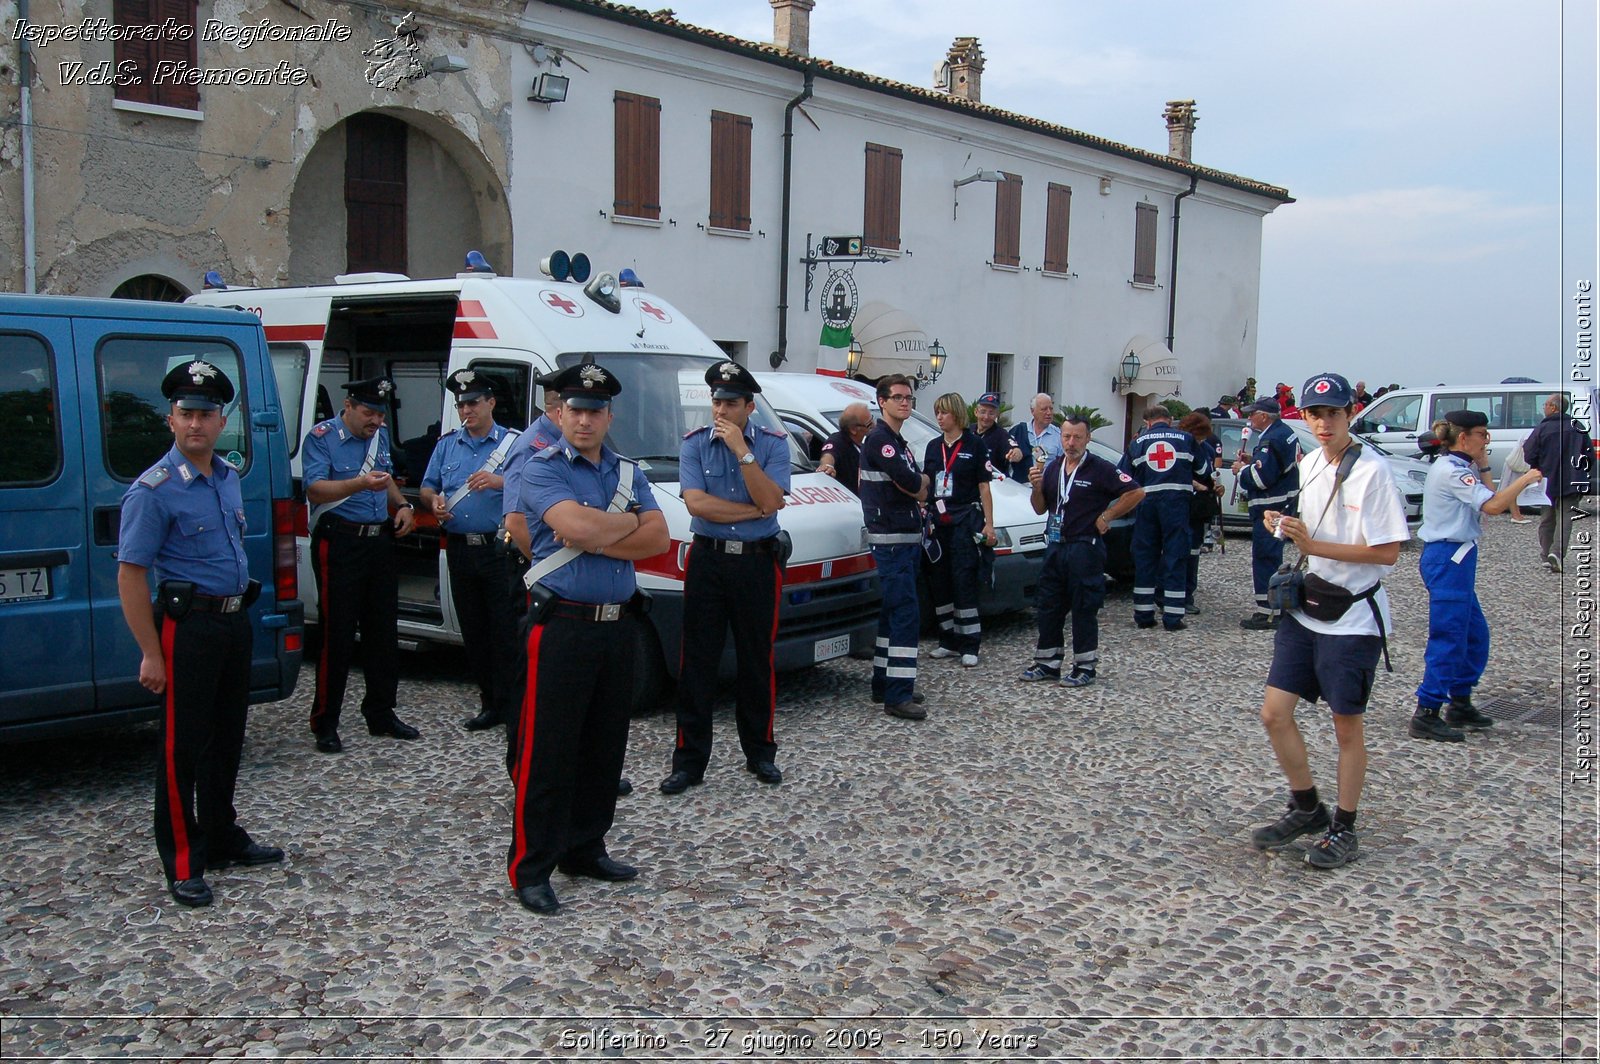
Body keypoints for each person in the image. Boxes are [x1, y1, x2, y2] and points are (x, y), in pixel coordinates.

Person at [117, 360, 283, 908]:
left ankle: (221, 835)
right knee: (180, 748)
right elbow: (132, 574)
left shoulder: (227, 477)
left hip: (233, 622)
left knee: (226, 738)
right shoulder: (154, 490)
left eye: (206, 414)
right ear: (170, 419)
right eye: (186, 413)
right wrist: (149, 652)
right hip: (186, 629)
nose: (196, 424)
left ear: (221, 421)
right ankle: (183, 859)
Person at [506, 361, 668, 915]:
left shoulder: (627, 471)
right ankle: (532, 866)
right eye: (575, 409)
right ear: (559, 412)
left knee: (604, 748)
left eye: (595, 411)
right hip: (563, 626)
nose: (584, 419)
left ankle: (585, 847)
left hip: (615, 625)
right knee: (548, 751)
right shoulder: (539, 466)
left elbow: (660, 537)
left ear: (608, 416)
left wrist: (601, 530)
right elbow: (574, 529)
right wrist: (617, 528)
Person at [1250, 372, 1409, 870]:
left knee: (1346, 727)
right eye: (1314, 414)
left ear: (1348, 415)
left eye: (1333, 414)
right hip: (1308, 603)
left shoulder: (1373, 472)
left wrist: (1313, 545)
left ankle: (1344, 825)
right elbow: (1312, 524)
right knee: (1274, 713)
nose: (1322, 423)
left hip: (1354, 612)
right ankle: (1307, 806)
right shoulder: (1311, 461)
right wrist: (1283, 524)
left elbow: (1387, 553)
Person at [662, 361, 791, 795]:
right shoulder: (695, 445)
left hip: (757, 562)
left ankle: (760, 754)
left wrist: (743, 452)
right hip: (709, 561)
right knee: (697, 662)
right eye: (716, 401)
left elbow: (773, 498)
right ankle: (689, 762)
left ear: (749, 407)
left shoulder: (772, 445)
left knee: (757, 660)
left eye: (730, 403)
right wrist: (755, 510)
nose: (720, 410)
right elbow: (697, 505)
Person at [1410, 410, 1546, 742]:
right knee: (1450, 635)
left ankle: (1460, 700)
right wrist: (1525, 479)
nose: (1486, 440)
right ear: (1463, 436)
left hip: (1458, 556)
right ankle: (1427, 710)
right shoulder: (1452, 472)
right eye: (1482, 434)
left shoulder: (1461, 466)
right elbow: (1494, 506)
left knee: (1474, 635)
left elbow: (1488, 494)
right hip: (1448, 556)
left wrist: (1484, 462)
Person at [300, 377, 419, 754]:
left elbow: (383, 481)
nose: (375, 421)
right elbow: (315, 489)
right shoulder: (322, 437)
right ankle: (325, 720)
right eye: (368, 413)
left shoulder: (378, 436)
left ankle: (381, 712)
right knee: (337, 633)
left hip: (377, 541)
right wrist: (358, 484)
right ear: (348, 406)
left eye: (380, 414)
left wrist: (401, 505)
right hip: (340, 541)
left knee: (383, 631)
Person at [421, 369, 522, 732]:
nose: (467, 410)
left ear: (491, 403)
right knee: (475, 632)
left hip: (499, 549)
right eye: (461, 403)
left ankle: (514, 708)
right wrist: (434, 503)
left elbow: (538, 484)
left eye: (474, 402)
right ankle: (489, 703)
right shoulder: (448, 444)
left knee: (505, 632)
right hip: (461, 550)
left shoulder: (513, 444)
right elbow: (427, 487)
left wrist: (499, 480)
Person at [1022, 415, 1144, 686]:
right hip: (1055, 545)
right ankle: (1048, 662)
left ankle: (1085, 666)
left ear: (1088, 438)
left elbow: (1136, 492)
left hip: (1084, 547)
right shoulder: (1053, 467)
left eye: (1077, 437)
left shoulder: (1100, 468)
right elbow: (1040, 508)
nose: (1071, 442)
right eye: (1066, 437)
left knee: (1083, 606)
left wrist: (1107, 516)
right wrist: (1037, 487)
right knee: (1049, 605)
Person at [860, 374, 932, 719]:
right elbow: (909, 481)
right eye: (898, 397)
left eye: (909, 398)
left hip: (903, 539)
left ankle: (884, 683)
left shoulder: (896, 441)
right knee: (905, 614)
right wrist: (922, 485)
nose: (905, 402)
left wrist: (919, 485)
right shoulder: (881, 441)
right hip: (892, 541)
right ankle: (897, 696)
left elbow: (911, 482)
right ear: (882, 401)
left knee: (892, 614)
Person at [922, 392, 998, 668]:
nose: (939, 417)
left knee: (963, 580)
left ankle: (970, 643)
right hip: (938, 520)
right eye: (937, 412)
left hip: (965, 519)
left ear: (956, 414)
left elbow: (984, 486)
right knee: (939, 581)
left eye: (943, 412)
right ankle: (947, 640)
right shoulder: (932, 447)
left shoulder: (975, 445)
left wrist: (989, 523)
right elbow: (927, 483)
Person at [1120, 405, 1208, 631]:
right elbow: (1204, 469)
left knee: (1145, 558)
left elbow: (1123, 476)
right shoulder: (1186, 438)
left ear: (1147, 422)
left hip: (1146, 505)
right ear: (1169, 421)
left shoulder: (1137, 442)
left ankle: (1143, 615)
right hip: (1176, 506)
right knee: (1176, 556)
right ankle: (1173, 617)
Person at [1234, 398, 1302, 630]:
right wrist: (1253, 462)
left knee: (1266, 558)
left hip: (1271, 508)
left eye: (1252, 414)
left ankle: (1269, 611)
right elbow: (1276, 466)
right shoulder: (1285, 432)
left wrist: (1242, 471)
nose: (1249, 418)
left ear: (1264, 416)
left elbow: (1261, 479)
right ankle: (1277, 607)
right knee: (1273, 557)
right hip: (1284, 502)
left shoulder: (1271, 439)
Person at [1522, 392, 1594, 573]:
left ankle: (1547, 554)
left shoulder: (1541, 429)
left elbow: (1529, 452)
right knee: (1565, 518)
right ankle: (1557, 553)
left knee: (1547, 518)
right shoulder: (1577, 426)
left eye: (1545, 404)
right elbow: (1589, 455)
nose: (1543, 408)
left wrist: (1537, 467)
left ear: (1553, 407)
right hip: (1573, 479)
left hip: (1547, 480)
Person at [1177, 411, 1223, 613]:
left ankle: (1188, 594)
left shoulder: (1207, 449)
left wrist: (1217, 486)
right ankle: (1176, 594)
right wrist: (1195, 484)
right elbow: (1178, 472)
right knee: (1180, 550)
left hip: (1203, 504)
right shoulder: (1182, 446)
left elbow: (1212, 474)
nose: (1201, 440)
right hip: (1186, 502)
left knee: (1194, 550)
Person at [1005, 392, 1062, 484]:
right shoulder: (1018, 431)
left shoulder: (1059, 436)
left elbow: (1063, 465)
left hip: (1045, 488)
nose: (1049, 413)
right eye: (1044, 409)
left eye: (1051, 409)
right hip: (1019, 487)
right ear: (1032, 411)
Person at [818, 401, 870, 494]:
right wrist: (827, 466)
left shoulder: (866, 444)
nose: (873, 425)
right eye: (869, 424)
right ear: (853, 429)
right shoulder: (838, 441)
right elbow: (829, 453)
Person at [972, 392, 1013, 479]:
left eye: (991, 413)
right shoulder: (967, 431)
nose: (986, 417)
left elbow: (1015, 451)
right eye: (983, 412)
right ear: (976, 412)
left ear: (997, 415)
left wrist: (1015, 454)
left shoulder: (1002, 435)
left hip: (994, 484)